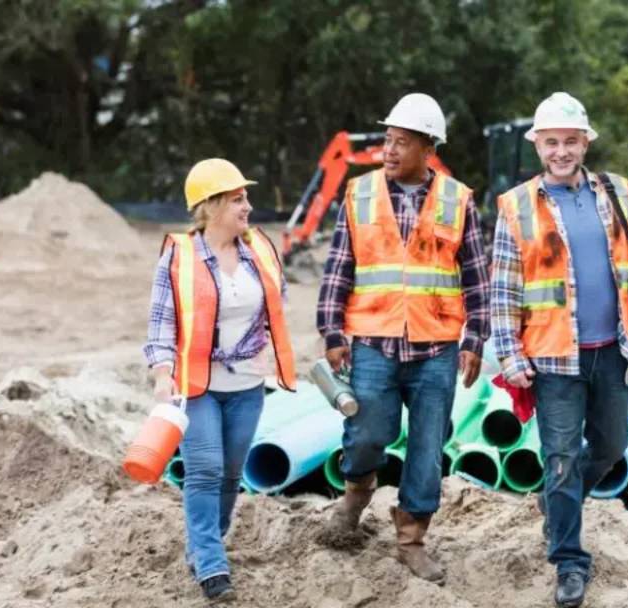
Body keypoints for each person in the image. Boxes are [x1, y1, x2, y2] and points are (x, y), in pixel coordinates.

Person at [490, 92, 628, 608]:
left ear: (585, 142)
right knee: (562, 459)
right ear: (538, 146)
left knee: (611, 447)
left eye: (571, 141)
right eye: (552, 142)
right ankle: (569, 560)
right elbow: (504, 288)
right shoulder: (517, 206)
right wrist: (510, 354)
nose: (562, 151)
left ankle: (557, 504)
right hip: (550, 356)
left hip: (611, 348)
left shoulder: (616, 191)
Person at [315, 93, 490, 584]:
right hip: (373, 340)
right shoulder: (359, 193)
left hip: (436, 346)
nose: (390, 150)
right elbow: (338, 267)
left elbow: (477, 277)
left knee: (428, 448)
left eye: (402, 142)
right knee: (369, 431)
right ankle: (356, 496)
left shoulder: (458, 201)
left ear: (427, 149)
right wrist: (332, 329)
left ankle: (411, 538)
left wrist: (475, 340)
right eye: (388, 140)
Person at [144, 158, 296, 602]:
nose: (248, 206)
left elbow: (277, 300)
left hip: (248, 385)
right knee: (206, 469)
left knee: (231, 473)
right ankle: (211, 564)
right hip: (197, 385)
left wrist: (257, 342)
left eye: (246, 197)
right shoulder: (180, 255)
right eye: (237, 199)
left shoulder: (260, 250)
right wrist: (160, 374)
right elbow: (161, 322)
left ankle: (205, 541)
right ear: (209, 207)